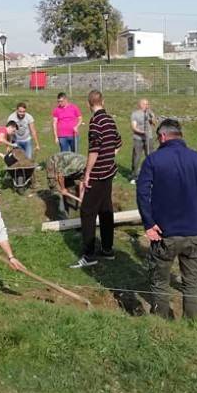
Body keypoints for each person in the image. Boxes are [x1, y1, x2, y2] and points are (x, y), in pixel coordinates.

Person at [136, 119, 197, 319]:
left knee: (160, 281)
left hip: (164, 232)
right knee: (192, 282)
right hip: (194, 231)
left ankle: (163, 321)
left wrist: (149, 223)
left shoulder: (153, 160)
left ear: (163, 136)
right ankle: (192, 322)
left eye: (158, 137)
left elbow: (142, 193)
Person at [71, 90, 122, 268]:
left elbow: (94, 150)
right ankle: (107, 249)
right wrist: (109, 158)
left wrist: (87, 175)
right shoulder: (110, 119)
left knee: (87, 212)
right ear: (103, 101)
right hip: (109, 171)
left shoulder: (95, 122)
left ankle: (88, 254)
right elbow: (118, 143)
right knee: (106, 209)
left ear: (88, 104)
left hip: (98, 174)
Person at [46, 151, 87, 220]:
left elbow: (82, 181)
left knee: (71, 189)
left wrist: (81, 197)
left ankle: (72, 212)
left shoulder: (89, 169)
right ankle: (61, 218)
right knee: (57, 192)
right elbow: (60, 175)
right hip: (54, 163)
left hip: (66, 168)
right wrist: (63, 188)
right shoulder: (76, 166)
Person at [129, 99, 156, 184]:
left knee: (150, 156)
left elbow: (154, 124)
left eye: (148, 104)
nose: (147, 105)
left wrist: (152, 118)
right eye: (145, 104)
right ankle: (134, 176)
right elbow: (133, 127)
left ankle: (151, 175)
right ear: (140, 104)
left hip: (149, 138)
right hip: (138, 138)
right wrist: (142, 132)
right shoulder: (135, 114)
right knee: (136, 157)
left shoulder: (150, 113)